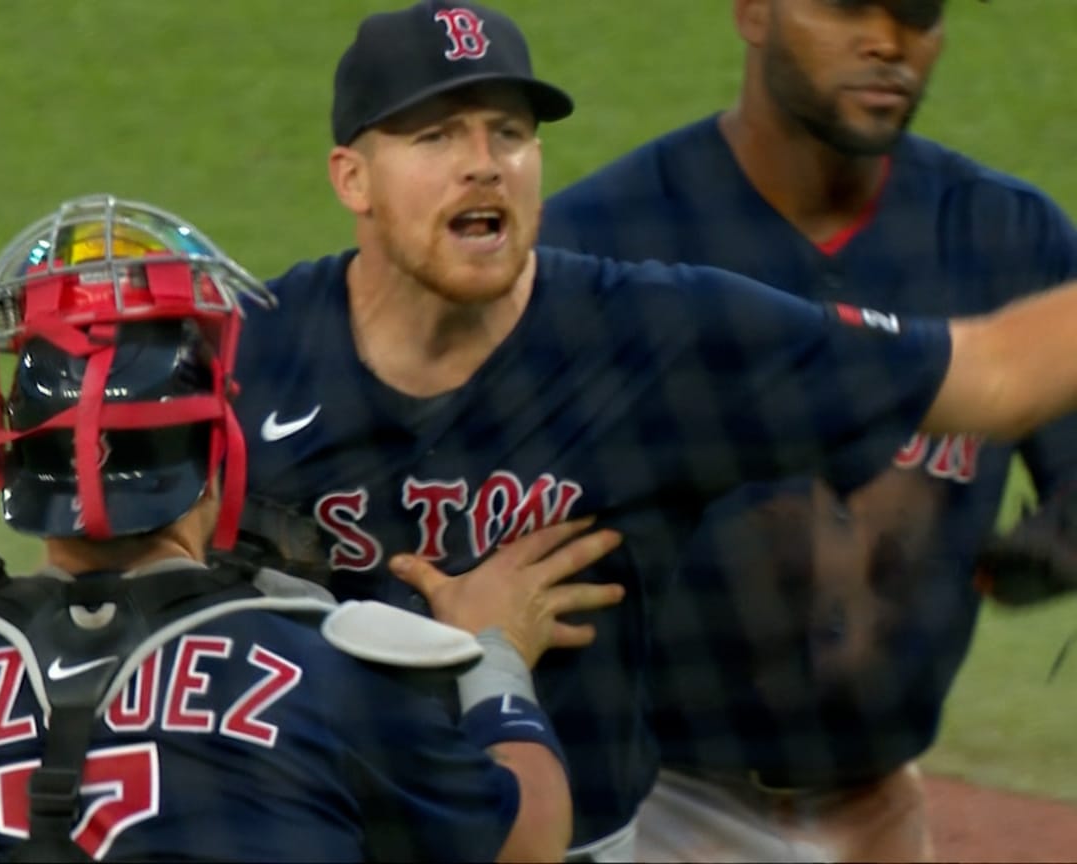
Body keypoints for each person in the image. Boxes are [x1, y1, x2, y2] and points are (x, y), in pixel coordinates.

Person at [229, 1, 1077, 859]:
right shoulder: (250, 356)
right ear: (353, 179)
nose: (483, 163)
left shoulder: (651, 334)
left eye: (509, 134)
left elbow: (994, 374)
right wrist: (473, 644)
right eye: (436, 136)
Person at [0, 194, 626, 863]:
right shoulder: (331, 677)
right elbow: (530, 838)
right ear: (216, 454)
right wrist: (494, 654)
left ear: (12, 460)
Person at [537, 0, 1077, 860]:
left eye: (917, 12)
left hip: (881, 811)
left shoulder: (1009, 238)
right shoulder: (602, 243)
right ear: (754, 12)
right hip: (654, 805)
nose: (887, 42)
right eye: (845, 5)